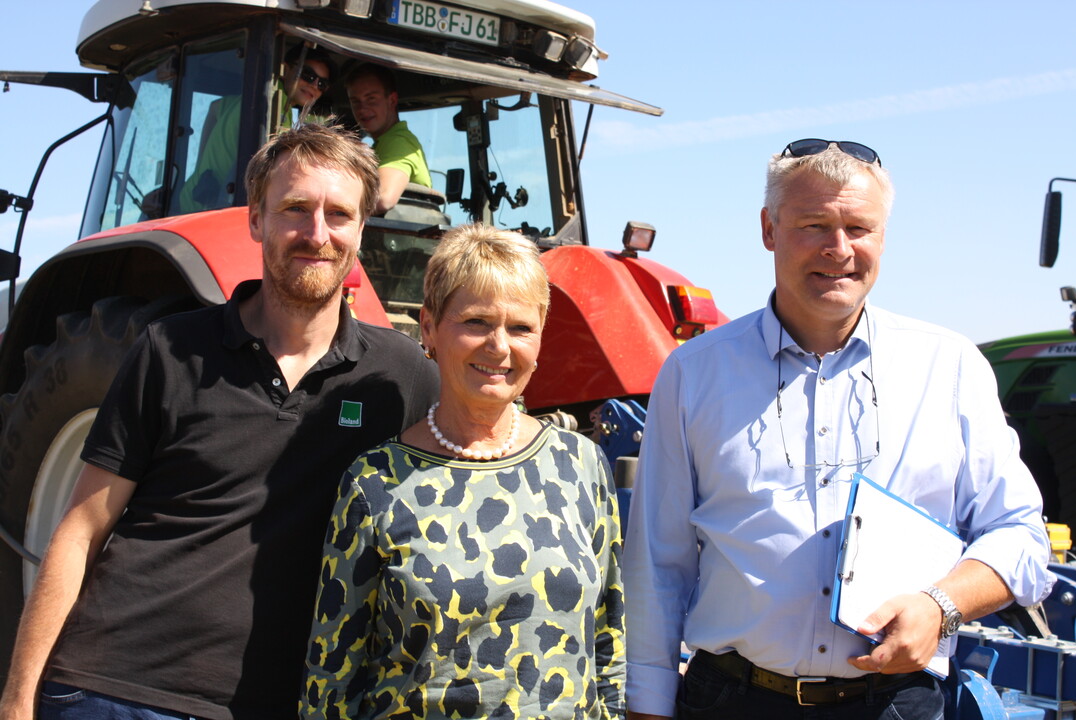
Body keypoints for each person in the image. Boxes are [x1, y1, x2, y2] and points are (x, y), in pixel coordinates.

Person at [0, 123, 439, 720]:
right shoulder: (170, 349)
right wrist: (18, 697)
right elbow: (80, 530)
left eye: (339, 214)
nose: (317, 233)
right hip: (115, 690)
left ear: (361, 230)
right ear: (255, 219)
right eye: (295, 208)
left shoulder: (400, 374)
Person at [623, 139, 1053, 719]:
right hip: (733, 700)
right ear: (769, 229)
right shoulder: (693, 373)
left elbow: (1020, 535)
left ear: (883, 235)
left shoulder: (950, 368)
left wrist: (940, 606)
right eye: (814, 225)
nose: (839, 248)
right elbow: (658, 562)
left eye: (858, 228)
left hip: (895, 704)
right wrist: (647, 706)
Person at [300, 224, 625, 719]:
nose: (499, 346)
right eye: (476, 322)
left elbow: (609, 644)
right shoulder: (375, 483)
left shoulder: (581, 465)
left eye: (521, 328)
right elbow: (331, 681)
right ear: (429, 327)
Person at [175, 45, 335, 213]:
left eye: (322, 84)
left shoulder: (247, 98)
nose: (314, 86)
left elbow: (214, 108)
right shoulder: (274, 108)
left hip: (190, 195)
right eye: (308, 75)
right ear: (286, 69)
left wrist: (200, 168)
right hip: (213, 209)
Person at [345, 63, 432, 215]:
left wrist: (333, 210)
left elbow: (383, 199)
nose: (362, 109)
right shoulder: (380, 145)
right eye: (355, 102)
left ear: (392, 100)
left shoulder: (399, 142)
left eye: (371, 99)